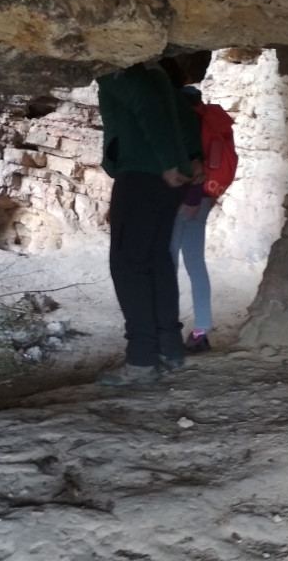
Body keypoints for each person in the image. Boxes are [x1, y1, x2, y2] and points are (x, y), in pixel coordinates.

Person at [95, 60, 203, 387]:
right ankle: (170, 349)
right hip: (167, 182)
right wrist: (191, 156)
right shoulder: (156, 73)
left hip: (142, 174)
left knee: (129, 265)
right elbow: (181, 113)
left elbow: (146, 105)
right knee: (157, 262)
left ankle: (142, 360)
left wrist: (169, 161)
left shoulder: (120, 68)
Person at [170, 85, 214, 353]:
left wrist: (192, 199)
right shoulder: (208, 120)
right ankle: (202, 331)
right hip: (203, 199)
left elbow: (196, 164)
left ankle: (168, 328)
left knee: (169, 262)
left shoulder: (187, 123)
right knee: (196, 263)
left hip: (186, 201)